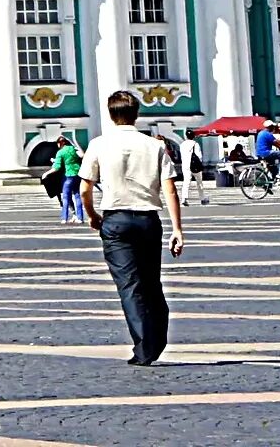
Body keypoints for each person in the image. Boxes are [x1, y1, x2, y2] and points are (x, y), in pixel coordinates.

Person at [79, 91, 186, 366]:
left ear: (110, 114)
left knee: (130, 285)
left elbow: (84, 188)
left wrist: (92, 215)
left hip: (115, 220)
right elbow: (170, 189)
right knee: (152, 283)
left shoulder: (99, 144)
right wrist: (177, 229)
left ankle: (144, 347)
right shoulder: (154, 146)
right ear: (137, 114)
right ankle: (157, 340)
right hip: (149, 220)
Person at [54, 133, 87, 225]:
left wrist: (46, 173)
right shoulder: (73, 148)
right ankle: (80, 218)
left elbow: (57, 167)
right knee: (78, 196)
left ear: (60, 143)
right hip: (78, 175)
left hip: (68, 176)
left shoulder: (60, 152)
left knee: (66, 197)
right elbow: (82, 155)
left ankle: (64, 218)